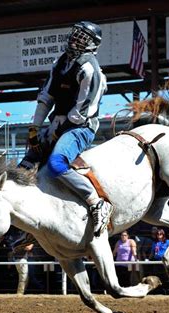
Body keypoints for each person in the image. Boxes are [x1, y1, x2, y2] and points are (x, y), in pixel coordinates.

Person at [19, 21, 110, 236]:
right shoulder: (59, 63)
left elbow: (82, 113)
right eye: (75, 34)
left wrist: (55, 133)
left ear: (92, 44)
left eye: (82, 37)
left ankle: (96, 202)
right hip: (57, 123)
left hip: (81, 127)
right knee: (25, 165)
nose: (75, 39)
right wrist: (34, 129)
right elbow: (46, 97)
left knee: (55, 163)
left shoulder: (90, 69)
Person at [149, 228, 169, 295]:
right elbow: (152, 252)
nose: (159, 235)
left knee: (167, 276)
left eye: (160, 234)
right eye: (157, 234)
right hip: (156, 261)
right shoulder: (155, 243)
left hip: (165, 261)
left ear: (163, 234)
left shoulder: (167, 242)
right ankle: (161, 291)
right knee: (158, 276)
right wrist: (148, 259)